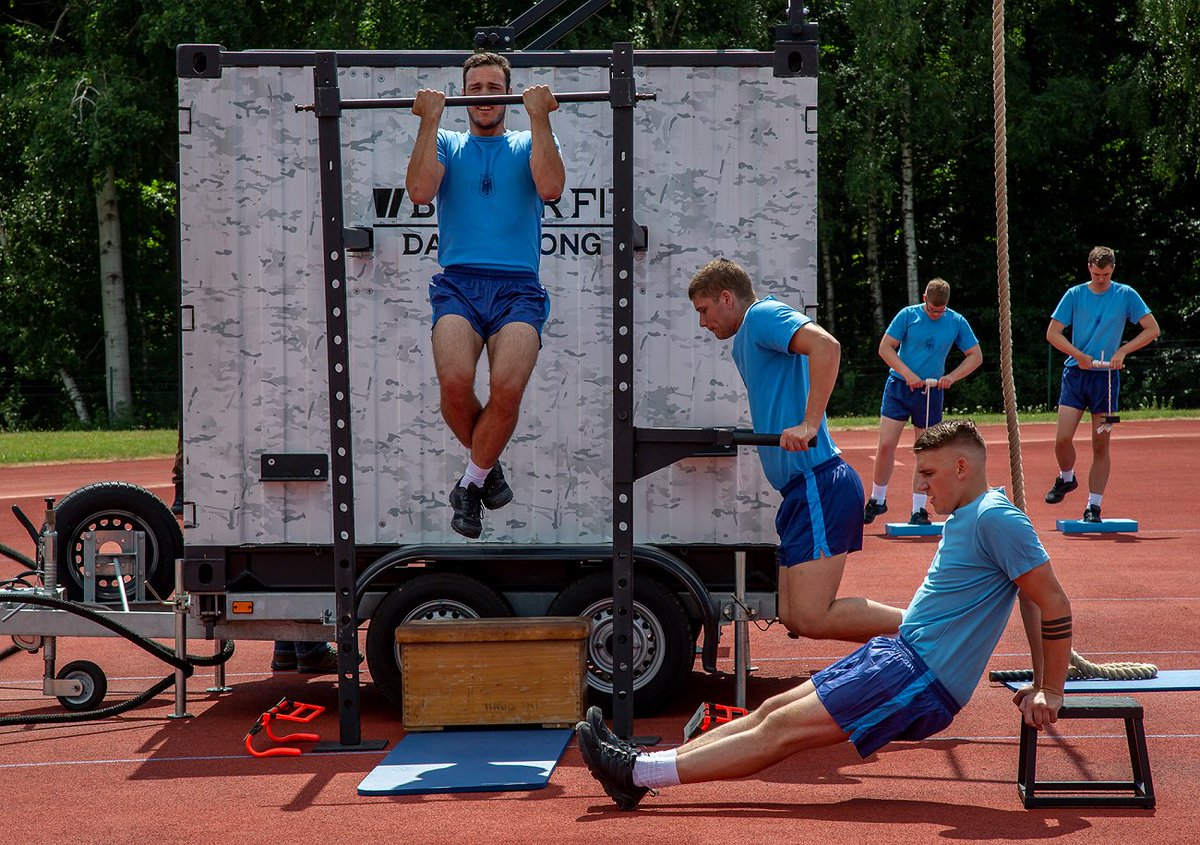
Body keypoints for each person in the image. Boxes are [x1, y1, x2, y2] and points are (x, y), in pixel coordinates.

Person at [577, 419, 1073, 810]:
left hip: (918, 677)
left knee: (781, 732)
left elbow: (1050, 601)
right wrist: (1040, 678)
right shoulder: (977, 514)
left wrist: (1051, 687)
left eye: (928, 475)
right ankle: (641, 763)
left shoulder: (993, 517)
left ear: (961, 467)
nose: (921, 489)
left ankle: (636, 775)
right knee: (769, 712)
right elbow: (1029, 598)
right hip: (897, 656)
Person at [688, 258, 903, 642]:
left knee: (810, 616)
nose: (703, 322)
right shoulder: (748, 336)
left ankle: (931, 627)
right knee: (792, 614)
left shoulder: (761, 316)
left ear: (726, 297)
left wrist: (809, 422)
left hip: (818, 482)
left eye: (704, 310)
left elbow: (826, 345)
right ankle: (910, 647)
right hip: (800, 491)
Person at [405, 52, 565, 538]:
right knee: (454, 384)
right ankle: (486, 466)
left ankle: (471, 481)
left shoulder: (529, 138)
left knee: (507, 389)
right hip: (459, 283)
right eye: (474, 88)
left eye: (494, 87)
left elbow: (552, 187)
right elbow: (417, 191)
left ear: (508, 96)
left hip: (517, 288)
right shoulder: (448, 144)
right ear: (463, 97)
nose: (484, 96)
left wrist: (540, 115)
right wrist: (428, 122)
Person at [1044, 246, 1160, 522]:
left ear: (1113, 270)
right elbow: (1053, 333)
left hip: (1107, 380)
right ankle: (1066, 477)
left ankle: (1093, 506)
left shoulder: (1125, 294)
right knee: (1062, 439)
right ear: (1089, 268)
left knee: (1101, 443)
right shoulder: (1074, 295)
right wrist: (1079, 355)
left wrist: (1122, 352)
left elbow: (1152, 329)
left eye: (1106, 274)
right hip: (1076, 375)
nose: (1101, 279)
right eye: (1096, 274)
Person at [864, 278, 982, 526]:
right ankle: (878, 499)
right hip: (899, 386)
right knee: (886, 445)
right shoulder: (908, 315)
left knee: (925, 451)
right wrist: (907, 374)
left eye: (940, 311)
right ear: (925, 298)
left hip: (930, 392)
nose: (935, 314)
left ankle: (918, 509)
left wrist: (951, 377)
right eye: (931, 309)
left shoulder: (956, 321)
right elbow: (886, 348)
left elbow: (975, 356)